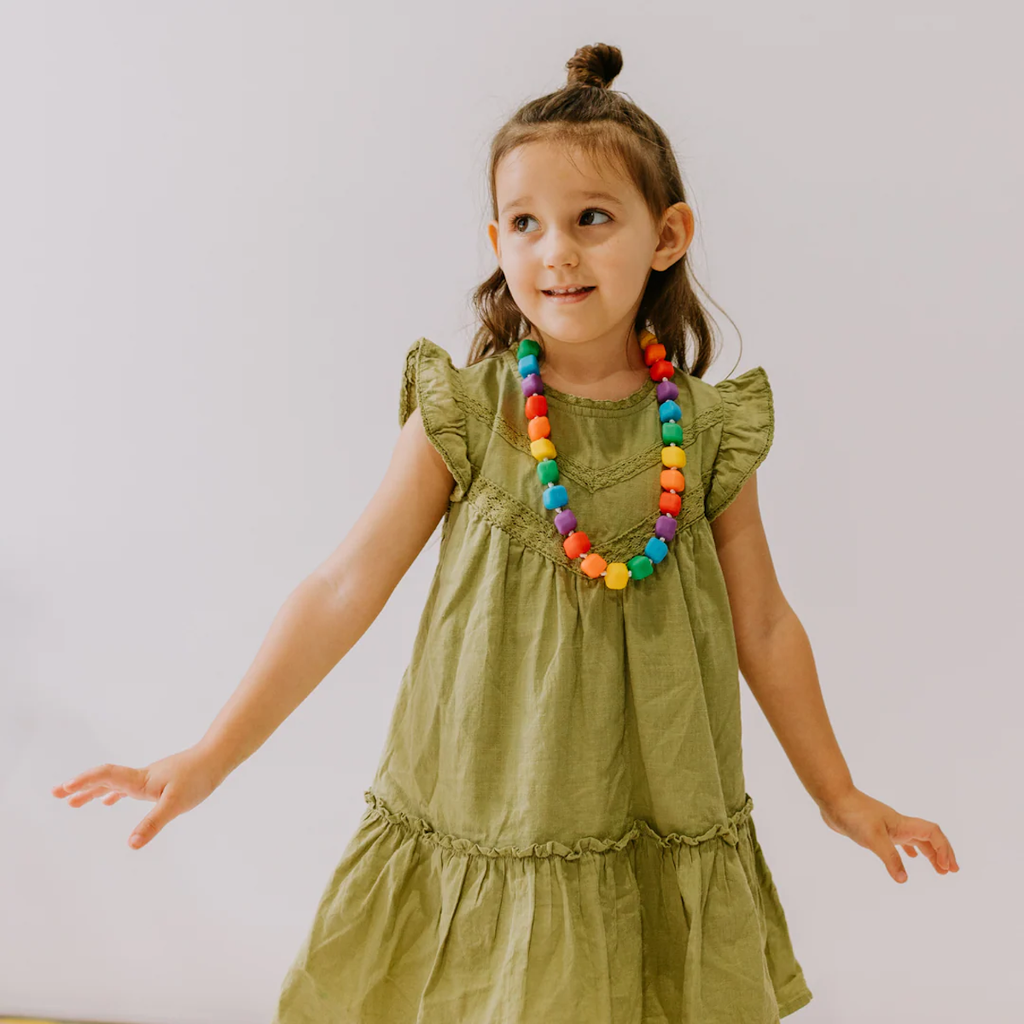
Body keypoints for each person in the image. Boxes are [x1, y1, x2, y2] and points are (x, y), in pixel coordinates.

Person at [52, 41, 959, 1023]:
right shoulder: (466, 413)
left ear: (668, 234)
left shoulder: (702, 429)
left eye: (591, 219)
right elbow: (342, 586)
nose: (555, 250)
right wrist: (211, 753)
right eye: (525, 223)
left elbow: (767, 625)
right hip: (492, 799)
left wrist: (837, 791)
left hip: (657, 804)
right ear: (496, 239)